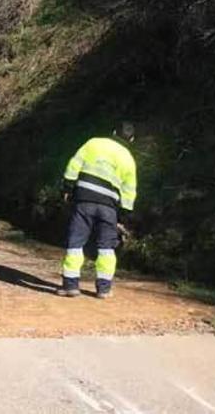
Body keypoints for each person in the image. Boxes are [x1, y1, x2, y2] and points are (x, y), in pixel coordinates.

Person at [58, 121, 137, 299]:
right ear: (131, 139)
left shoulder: (94, 143)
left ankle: (70, 285)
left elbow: (73, 166)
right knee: (106, 248)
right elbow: (129, 191)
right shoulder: (129, 159)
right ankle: (104, 289)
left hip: (84, 200)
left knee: (75, 243)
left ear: (113, 131)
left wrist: (67, 189)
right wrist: (123, 216)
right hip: (109, 207)